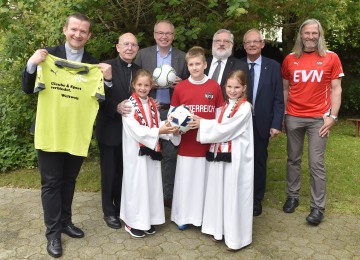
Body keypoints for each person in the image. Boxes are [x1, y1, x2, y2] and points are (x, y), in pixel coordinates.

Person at [21, 13, 112, 258]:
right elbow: (27, 88)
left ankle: (65, 222)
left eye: (83, 31)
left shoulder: (94, 64)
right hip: (50, 130)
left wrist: (109, 81)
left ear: (89, 35)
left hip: (76, 133)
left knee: (69, 181)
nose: (78, 34)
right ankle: (52, 234)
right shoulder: (46, 56)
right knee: (51, 183)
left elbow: (104, 104)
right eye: (74, 29)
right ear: (65, 30)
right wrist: (31, 64)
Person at [282, 19, 343, 225]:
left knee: (316, 163)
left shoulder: (331, 58)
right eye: (306, 33)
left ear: (319, 35)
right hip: (294, 116)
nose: (310, 37)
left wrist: (332, 116)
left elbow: (336, 89)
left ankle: (317, 208)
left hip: (319, 119)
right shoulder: (290, 59)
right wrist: (283, 114)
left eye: (314, 33)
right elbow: (285, 88)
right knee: (293, 159)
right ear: (301, 35)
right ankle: (292, 196)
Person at [193, 70, 254, 251]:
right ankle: (219, 230)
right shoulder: (226, 106)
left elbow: (228, 129)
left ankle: (236, 238)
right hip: (222, 156)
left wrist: (203, 123)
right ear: (224, 87)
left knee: (234, 194)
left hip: (236, 158)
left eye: (237, 87)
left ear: (244, 88)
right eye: (229, 87)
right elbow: (221, 126)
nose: (233, 90)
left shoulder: (245, 108)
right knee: (220, 191)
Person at [134, 20, 189, 208]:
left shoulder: (183, 57)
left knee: (170, 155)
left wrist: (183, 83)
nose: (164, 37)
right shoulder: (142, 55)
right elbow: (134, 83)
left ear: (173, 35)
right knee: (148, 152)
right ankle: (148, 195)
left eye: (168, 33)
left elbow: (191, 84)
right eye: (160, 33)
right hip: (150, 111)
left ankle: (167, 197)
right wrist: (148, 90)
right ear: (154, 35)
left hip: (172, 112)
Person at [120, 69, 180, 238]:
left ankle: (148, 220)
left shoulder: (152, 104)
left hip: (151, 152)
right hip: (136, 153)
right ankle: (133, 223)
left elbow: (155, 124)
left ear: (152, 86)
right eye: (139, 84)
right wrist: (159, 130)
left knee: (151, 185)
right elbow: (137, 130)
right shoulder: (129, 106)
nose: (143, 88)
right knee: (137, 186)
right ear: (134, 85)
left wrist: (169, 129)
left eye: (146, 85)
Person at [170, 46, 224, 230]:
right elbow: (172, 115)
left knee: (204, 183)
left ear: (205, 64)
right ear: (187, 66)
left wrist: (207, 125)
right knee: (187, 181)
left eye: (198, 64)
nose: (195, 67)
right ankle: (183, 216)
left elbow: (219, 117)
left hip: (206, 146)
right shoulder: (181, 87)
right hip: (187, 144)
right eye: (191, 64)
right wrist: (175, 129)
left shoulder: (214, 86)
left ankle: (203, 218)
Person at [95, 33, 140, 230]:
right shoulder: (105, 67)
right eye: (126, 44)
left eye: (133, 45)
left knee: (126, 171)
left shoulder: (140, 71)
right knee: (109, 172)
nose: (130, 48)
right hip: (110, 128)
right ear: (118, 47)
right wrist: (116, 108)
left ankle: (123, 207)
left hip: (132, 133)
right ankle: (109, 211)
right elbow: (98, 97)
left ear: (137, 49)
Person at [242, 29, 284, 216]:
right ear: (243, 46)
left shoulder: (273, 66)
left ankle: (256, 200)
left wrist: (276, 123)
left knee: (259, 160)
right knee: (239, 160)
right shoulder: (237, 65)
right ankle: (240, 196)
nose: (252, 45)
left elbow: (278, 98)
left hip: (262, 123)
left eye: (255, 41)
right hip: (239, 124)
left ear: (262, 44)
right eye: (248, 42)